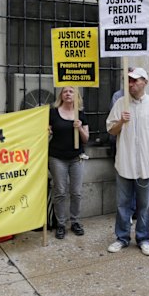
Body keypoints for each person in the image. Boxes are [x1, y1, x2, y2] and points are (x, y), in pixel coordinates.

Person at [106, 67, 149, 256]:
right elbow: (110, 131)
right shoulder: (120, 103)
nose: (131, 84)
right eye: (129, 81)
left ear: (145, 82)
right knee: (123, 204)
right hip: (125, 163)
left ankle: (144, 238)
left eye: (135, 80)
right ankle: (122, 238)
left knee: (145, 205)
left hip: (147, 163)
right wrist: (120, 122)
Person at [48, 86, 89, 239]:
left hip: (76, 158)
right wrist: (48, 131)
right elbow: (47, 131)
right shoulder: (53, 112)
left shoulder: (80, 114)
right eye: (65, 91)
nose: (68, 93)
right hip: (57, 157)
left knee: (76, 192)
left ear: (76, 95)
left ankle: (75, 221)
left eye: (71, 91)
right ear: (61, 95)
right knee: (60, 191)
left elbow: (86, 139)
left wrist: (80, 129)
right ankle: (61, 224)